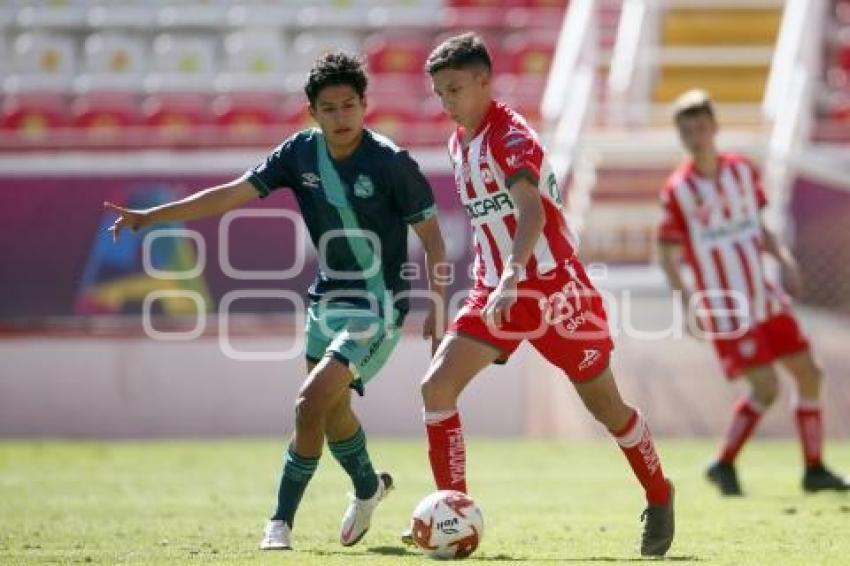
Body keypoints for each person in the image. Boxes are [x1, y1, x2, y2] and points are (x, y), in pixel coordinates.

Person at [106, 52, 448, 550]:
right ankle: (368, 487)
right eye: (328, 108)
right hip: (326, 301)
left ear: (365, 105)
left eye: (349, 105)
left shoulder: (392, 163)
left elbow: (435, 241)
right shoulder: (299, 154)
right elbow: (229, 194)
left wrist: (437, 304)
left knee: (309, 401)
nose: (340, 116)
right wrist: (152, 216)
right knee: (328, 415)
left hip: (377, 307)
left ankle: (279, 524)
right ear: (312, 112)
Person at [406, 32, 675, 557]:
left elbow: (530, 211)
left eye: (454, 89)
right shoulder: (459, 143)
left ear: (484, 81)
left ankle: (660, 495)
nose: (446, 102)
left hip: (554, 288)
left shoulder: (511, 136)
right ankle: (451, 514)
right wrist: (466, 295)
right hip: (494, 291)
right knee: (436, 388)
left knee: (607, 408)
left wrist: (512, 275)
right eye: (439, 92)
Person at [657, 89, 849, 496]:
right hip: (726, 308)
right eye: (687, 129)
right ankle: (724, 463)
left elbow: (757, 226)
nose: (695, 135)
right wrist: (686, 303)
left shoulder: (742, 170)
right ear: (680, 135)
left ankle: (813, 470)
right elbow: (666, 252)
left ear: (714, 128)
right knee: (766, 387)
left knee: (809, 374)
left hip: (764, 295)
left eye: (701, 127)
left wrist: (782, 257)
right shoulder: (679, 191)